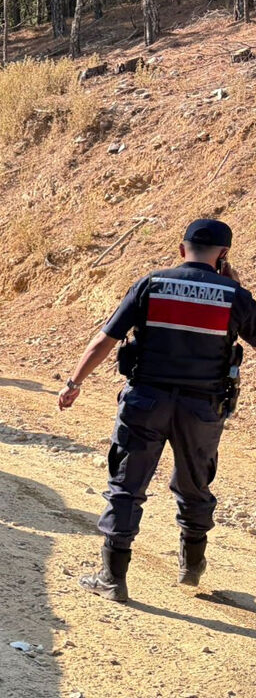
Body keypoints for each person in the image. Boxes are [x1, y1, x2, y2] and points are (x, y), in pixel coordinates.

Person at [58, 218, 256, 602]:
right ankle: (192, 564)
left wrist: (74, 383)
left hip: (145, 402)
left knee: (127, 485)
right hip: (202, 408)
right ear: (223, 255)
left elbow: (104, 339)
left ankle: (112, 578)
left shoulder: (153, 284)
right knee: (194, 483)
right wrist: (234, 287)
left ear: (182, 250)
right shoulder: (235, 295)